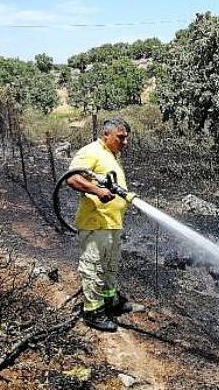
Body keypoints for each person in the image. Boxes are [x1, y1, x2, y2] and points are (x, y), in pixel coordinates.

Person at [67, 117, 142, 332]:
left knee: (110, 266)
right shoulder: (92, 151)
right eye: (121, 138)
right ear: (106, 135)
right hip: (95, 222)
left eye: (126, 138)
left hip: (112, 223)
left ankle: (111, 301)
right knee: (93, 268)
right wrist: (98, 191)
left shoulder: (111, 155)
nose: (124, 142)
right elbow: (72, 179)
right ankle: (93, 311)